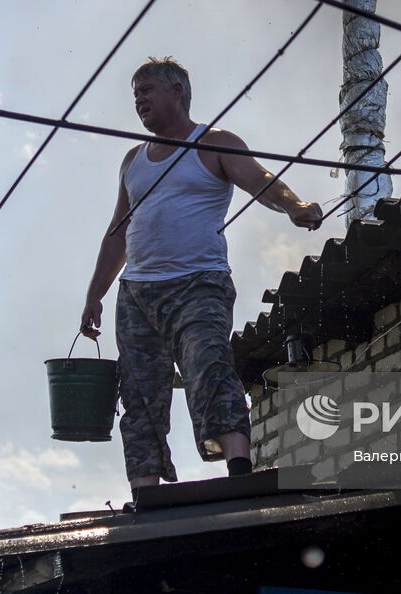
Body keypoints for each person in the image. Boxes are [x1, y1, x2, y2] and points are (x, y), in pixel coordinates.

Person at [80, 57, 323, 495]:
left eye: (147, 88)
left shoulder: (214, 143)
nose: (139, 98)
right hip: (137, 293)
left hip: (198, 283)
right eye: (135, 93)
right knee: (138, 392)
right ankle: (145, 489)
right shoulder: (133, 160)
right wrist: (94, 294)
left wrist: (295, 206)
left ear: (177, 91)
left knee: (207, 365)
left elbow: (261, 180)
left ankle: (239, 470)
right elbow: (118, 232)